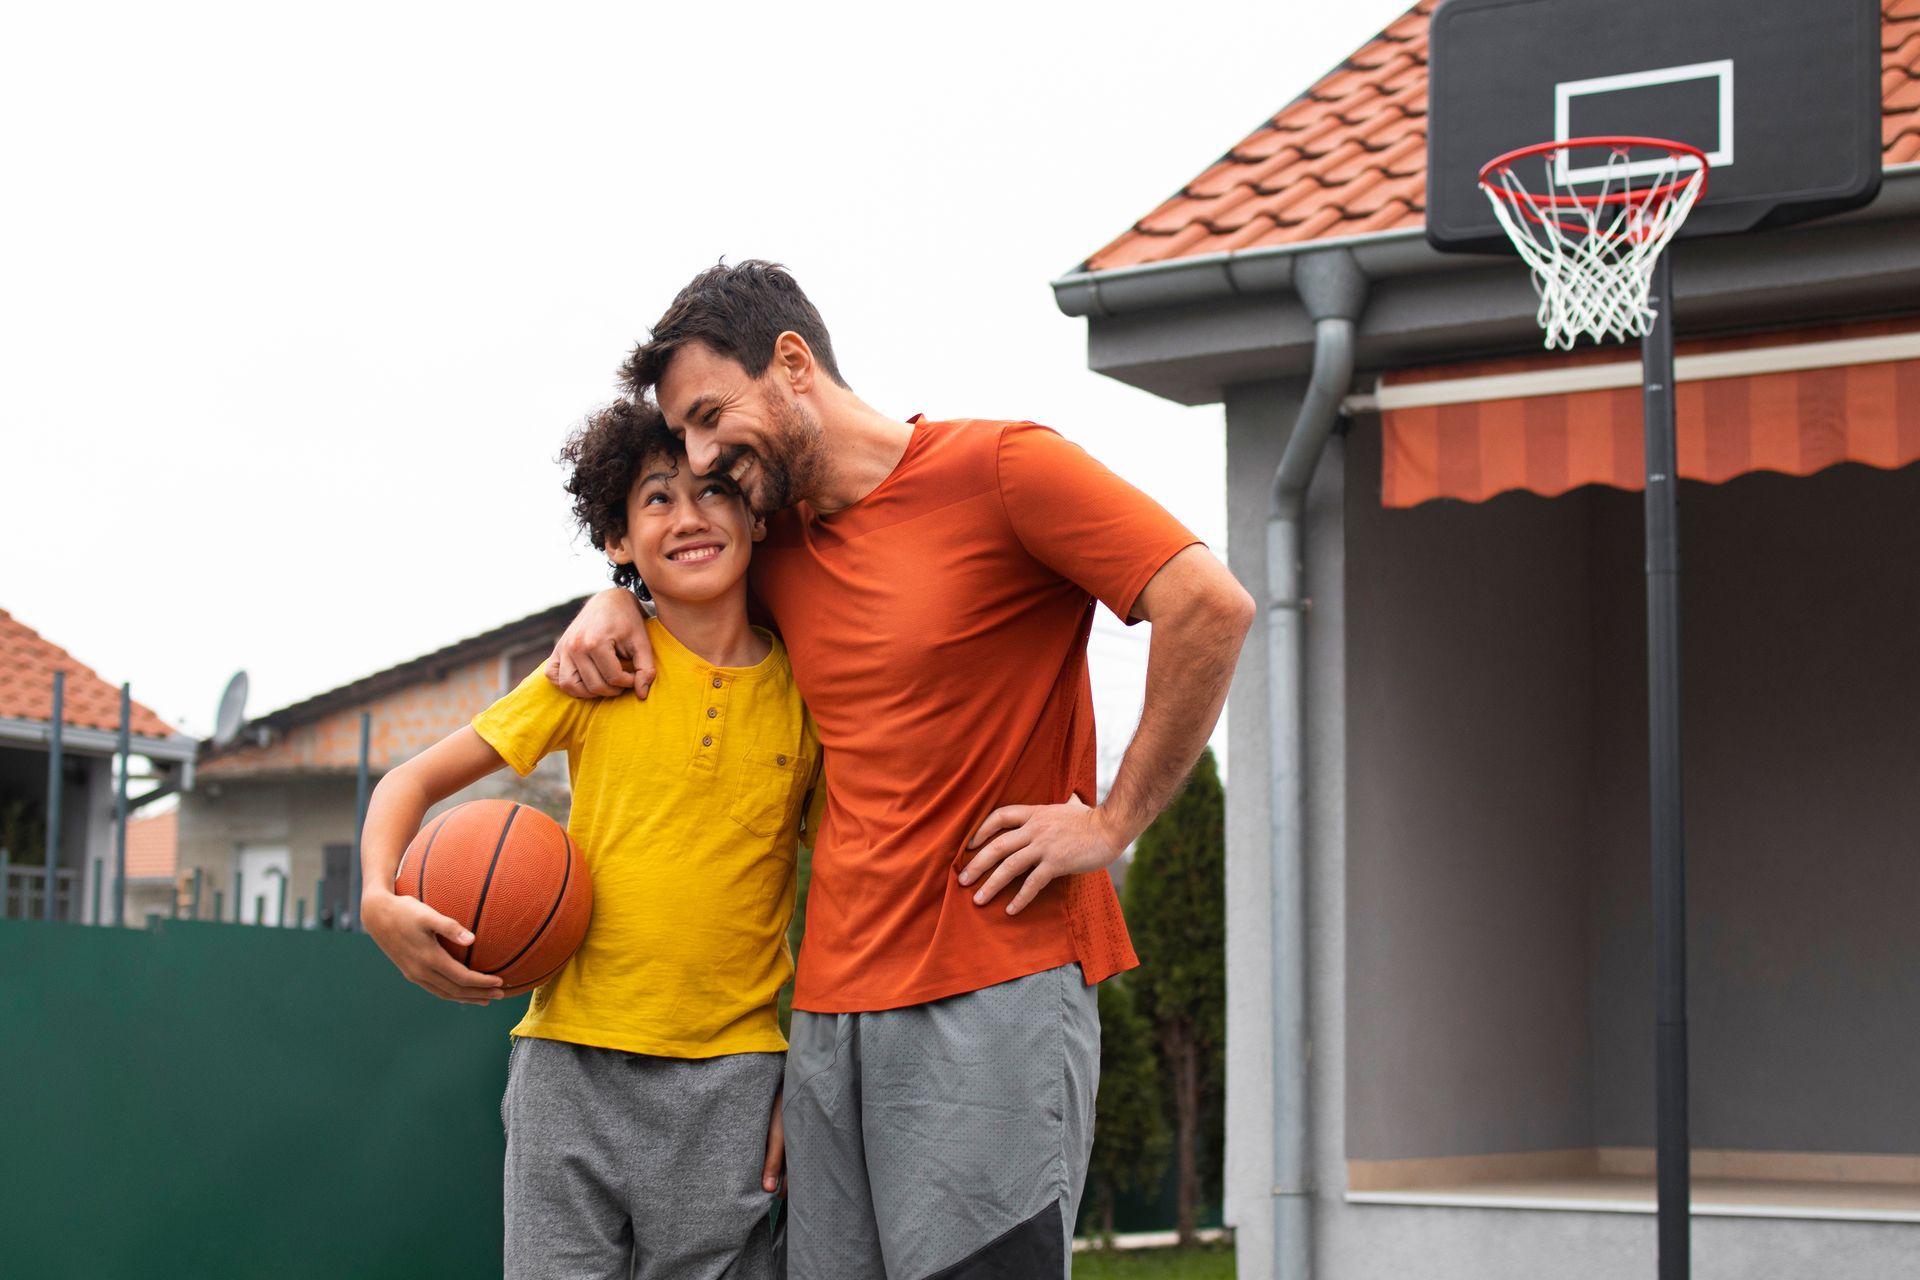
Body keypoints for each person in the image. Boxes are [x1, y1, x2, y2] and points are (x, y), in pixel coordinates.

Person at [550, 261, 1254, 1279]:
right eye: (683, 435)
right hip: (831, 1017)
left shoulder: (1006, 469)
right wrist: (616, 591)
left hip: (994, 986)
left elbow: (1209, 605)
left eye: (709, 416)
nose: (700, 456)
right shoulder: (773, 546)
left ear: (793, 363)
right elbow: (678, 580)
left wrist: (1111, 823)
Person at [360, 399, 816, 1280]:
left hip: (733, 1076)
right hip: (569, 1064)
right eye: (658, 498)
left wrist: (808, 1073)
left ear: (757, 514)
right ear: (618, 538)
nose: (690, 516)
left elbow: (837, 891)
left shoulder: (808, 699)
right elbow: (406, 783)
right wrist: (379, 898)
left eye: (715, 490)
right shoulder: (592, 671)